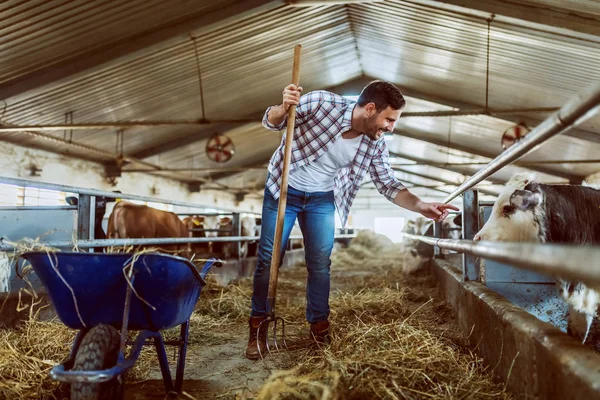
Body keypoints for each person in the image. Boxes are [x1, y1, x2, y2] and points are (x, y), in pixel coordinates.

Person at [245, 80, 459, 359]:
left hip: (322, 198)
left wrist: (420, 205)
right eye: (389, 119)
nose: (390, 127)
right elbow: (271, 122)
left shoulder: (374, 144)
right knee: (269, 258)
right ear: (370, 108)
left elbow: (387, 183)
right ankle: (257, 328)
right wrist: (284, 107)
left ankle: (319, 327)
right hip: (284, 189)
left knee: (320, 263)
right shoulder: (321, 103)